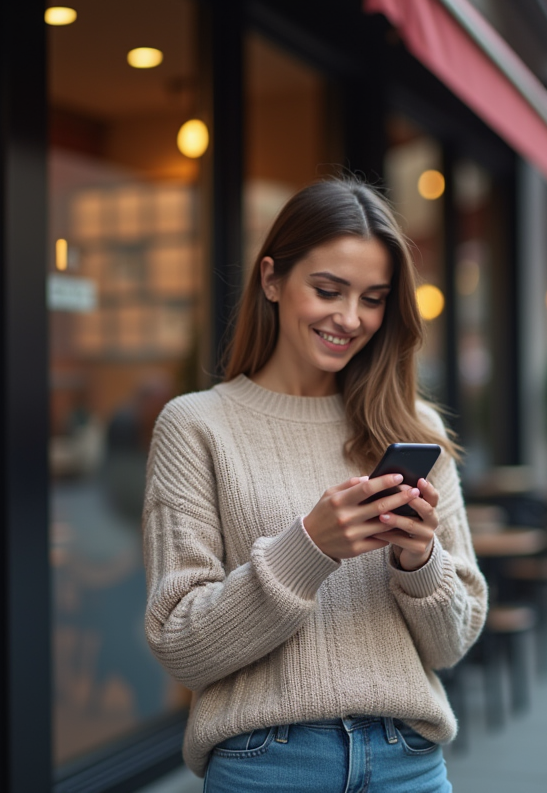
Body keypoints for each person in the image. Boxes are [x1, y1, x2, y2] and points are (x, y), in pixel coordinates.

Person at [142, 178, 487, 792]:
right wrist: (309, 549)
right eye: (327, 290)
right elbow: (180, 644)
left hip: (406, 759)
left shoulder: (413, 428)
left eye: (373, 298)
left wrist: (419, 560)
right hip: (268, 765)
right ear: (272, 279)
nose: (350, 319)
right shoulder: (197, 426)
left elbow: (452, 644)